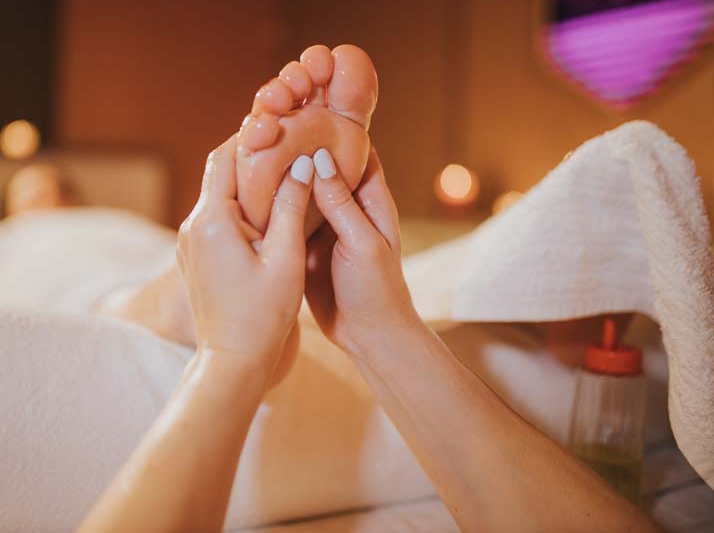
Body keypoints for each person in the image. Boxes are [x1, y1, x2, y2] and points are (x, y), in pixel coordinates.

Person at [77, 45, 660, 532]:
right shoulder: (34, 230)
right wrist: (233, 353)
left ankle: (191, 295)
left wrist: (379, 325)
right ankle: (178, 300)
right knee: (94, 281)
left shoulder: (79, 216)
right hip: (61, 249)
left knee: (112, 274)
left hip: (117, 241)